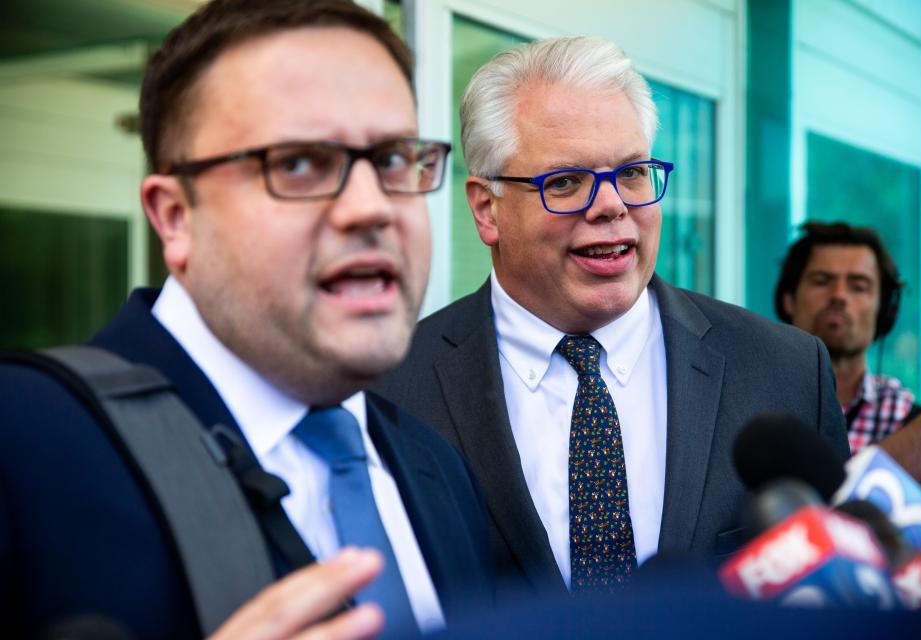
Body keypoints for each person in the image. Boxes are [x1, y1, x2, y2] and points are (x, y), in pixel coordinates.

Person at [0, 1, 492, 638]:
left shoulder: (439, 468)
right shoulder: (20, 449)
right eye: (297, 163)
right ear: (176, 218)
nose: (372, 207)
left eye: (394, 158)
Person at [375, 36, 849, 600]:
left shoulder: (788, 372)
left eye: (633, 173)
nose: (611, 205)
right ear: (487, 209)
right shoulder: (388, 388)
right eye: (567, 182)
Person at [775, 221, 921, 454]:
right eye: (821, 281)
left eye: (858, 286)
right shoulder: (750, 401)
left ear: (883, 310)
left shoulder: (911, 421)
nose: (839, 296)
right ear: (789, 300)